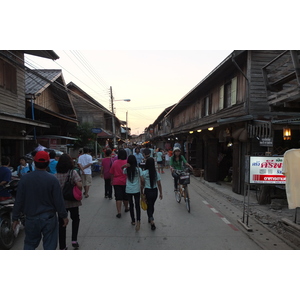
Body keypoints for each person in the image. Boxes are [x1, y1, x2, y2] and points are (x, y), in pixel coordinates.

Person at [12, 151, 68, 250]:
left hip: (31, 218)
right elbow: (58, 201)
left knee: (29, 244)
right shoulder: (52, 180)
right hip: (49, 218)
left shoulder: (25, 179)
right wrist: (63, 216)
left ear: (35, 162)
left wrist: (15, 218)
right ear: (47, 163)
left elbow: (19, 200)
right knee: (50, 246)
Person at [56, 153, 82, 250]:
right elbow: (79, 185)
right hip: (73, 200)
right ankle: (74, 240)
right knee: (75, 219)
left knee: (62, 222)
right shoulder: (73, 173)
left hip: (61, 202)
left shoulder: (56, 175)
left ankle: (62, 245)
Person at [141, 157, 163, 230]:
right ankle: (150, 217)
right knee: (152, 205)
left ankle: (151, 219)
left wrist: (141, 193)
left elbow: (142, 184)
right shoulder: (156, 173)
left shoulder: (144, 173)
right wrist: (161, 193)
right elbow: (159, 184)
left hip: (147, 191)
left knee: (149, 205)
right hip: (155, 191)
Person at [122, 155, 143, 231]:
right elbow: (142, 179)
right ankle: (138, 220)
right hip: (136, 189)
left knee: (131, 205)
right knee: (137, 205)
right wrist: (142, 187)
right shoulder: (138, 169)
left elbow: (122, 170)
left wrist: (124, 165)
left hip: (128, 189)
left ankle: (133, 220)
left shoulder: (126, 170)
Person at [110, 148, 129, 218]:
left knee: (118, 197)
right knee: (125, 196)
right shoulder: (127, 162)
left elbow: (111, 173)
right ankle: (126, 208)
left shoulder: (115, 162)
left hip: (116, 181)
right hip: (125, 181)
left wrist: (111, 180)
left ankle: (119, 212)